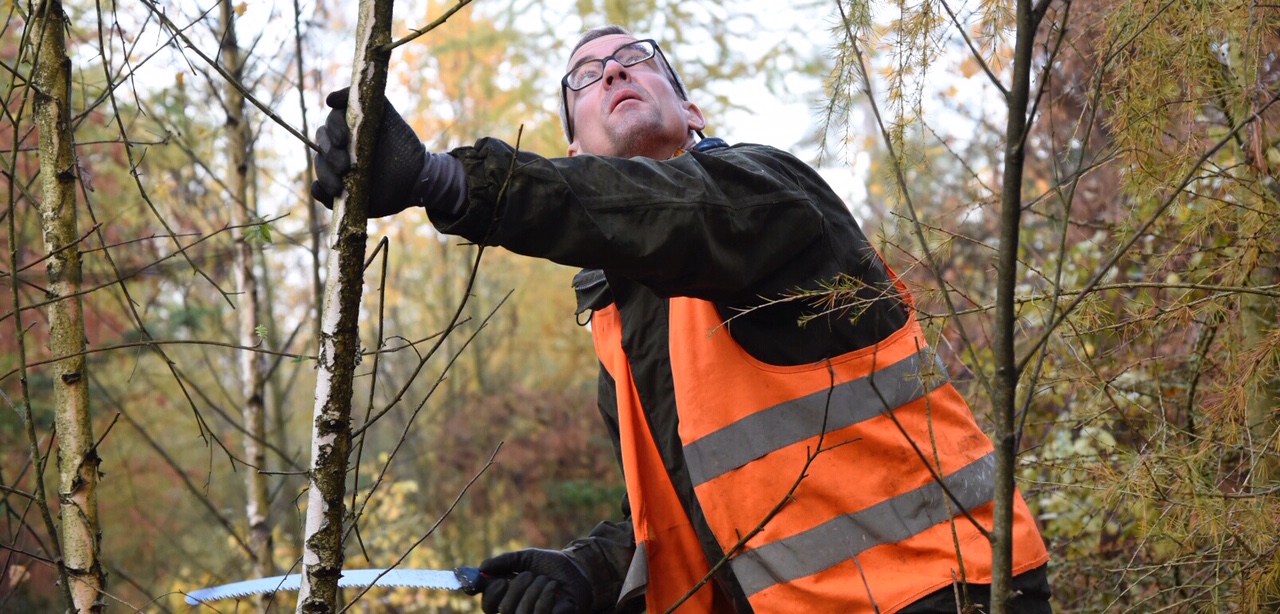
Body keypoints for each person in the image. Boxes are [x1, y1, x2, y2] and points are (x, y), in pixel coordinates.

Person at [311, 25, 1053, 614]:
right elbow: (675, 512)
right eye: (586, 76)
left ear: (692, 112)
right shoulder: (619, 326)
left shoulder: (767, 198)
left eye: (635, 59)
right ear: (576, 149)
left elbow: (667, 213)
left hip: (943, 587)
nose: (612, 72)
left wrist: (447, 180)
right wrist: (584, 574)